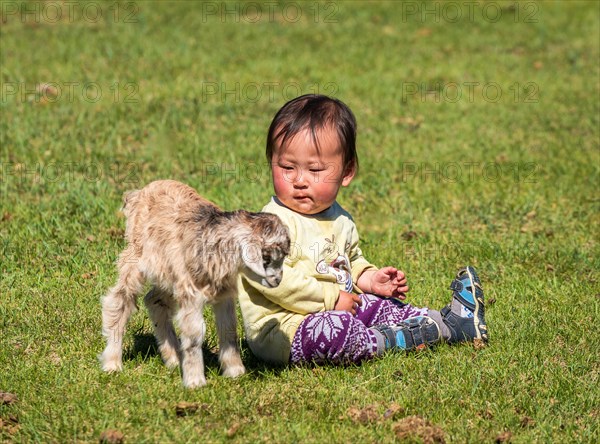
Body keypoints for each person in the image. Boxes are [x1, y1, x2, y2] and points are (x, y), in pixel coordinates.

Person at [238, 94, 488, 365]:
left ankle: (450, 322)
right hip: (286, 329)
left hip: (337, 307)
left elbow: (349, 263)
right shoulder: (270, 224)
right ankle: (391, 339)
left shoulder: (340, 218)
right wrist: (330, 300)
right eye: (287, 167)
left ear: (347, 172)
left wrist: (370, 279)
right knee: (335, 331)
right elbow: (271, 278)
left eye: (315, 169)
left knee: (377, 305)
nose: (299, 180)